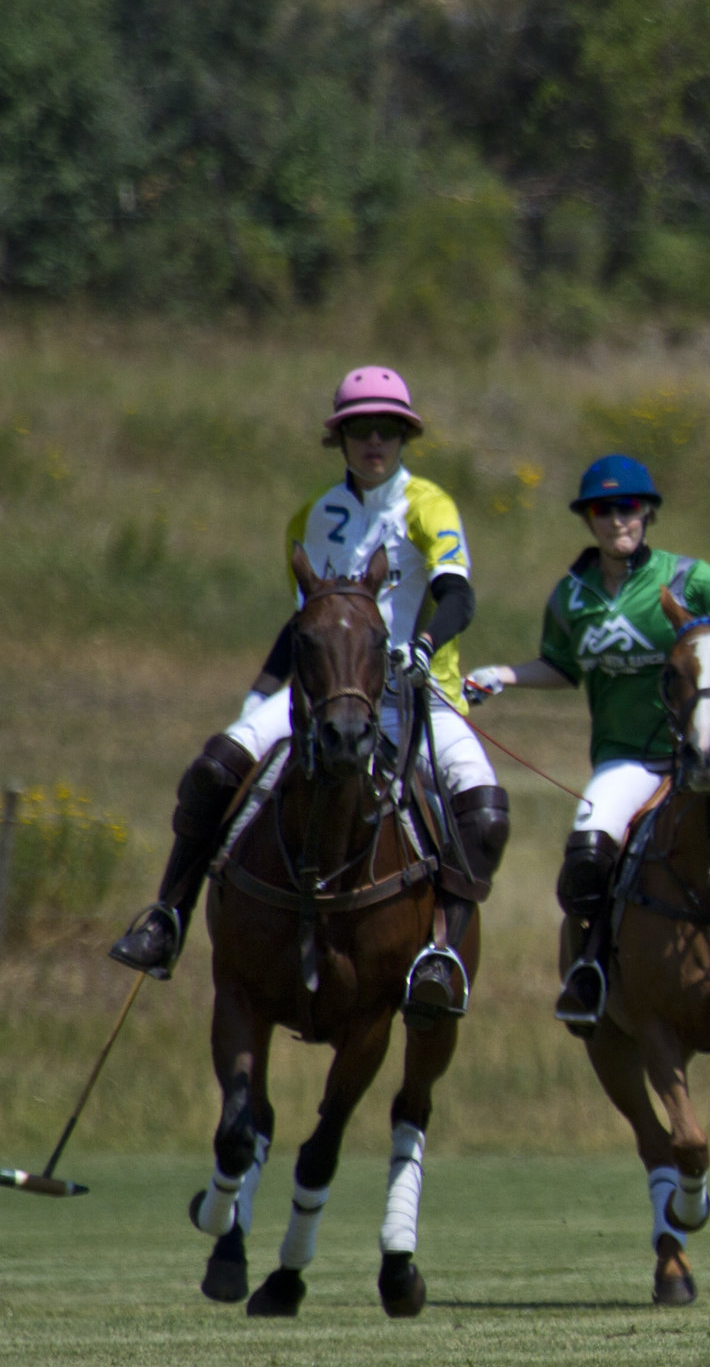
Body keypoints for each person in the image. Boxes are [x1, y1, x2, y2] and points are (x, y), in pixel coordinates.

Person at [110, 368, 506, 1019]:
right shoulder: (312, 517)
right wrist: (258, 695)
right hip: (320, 695)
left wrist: (425, 648)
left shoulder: (429, 504)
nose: (373, 441)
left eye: (386, 430)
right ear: (341, 438)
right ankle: (167, 921)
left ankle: (443, 956)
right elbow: (304, 624)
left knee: (485, 811)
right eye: (360, 430)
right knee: (214, 768)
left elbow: (457, 594)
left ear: (404, 436)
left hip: (414, 693)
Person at [461, 454, 710, 1028]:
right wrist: (504, 675)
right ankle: (593, 969)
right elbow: (563, 666)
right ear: (589, 520)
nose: (617, 521)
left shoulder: (688, 578)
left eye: (628, 508)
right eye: (603, 510)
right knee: (586, 859)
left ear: (647, 513)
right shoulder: (570, 597)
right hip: (629, 758)